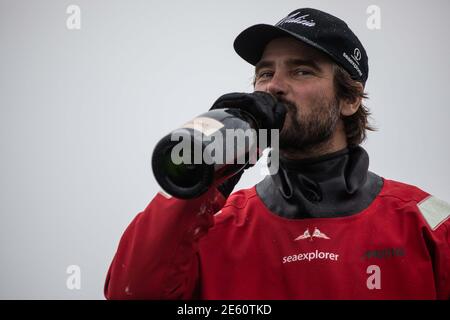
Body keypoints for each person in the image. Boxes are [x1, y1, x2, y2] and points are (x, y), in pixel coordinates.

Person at [104, 8, 450, 299]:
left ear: (350, 99)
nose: (273, 86)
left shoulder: (425, 225)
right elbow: (131, 291)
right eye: (265, 73)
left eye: (301, 70)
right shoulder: (216, 228)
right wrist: (209, 173)